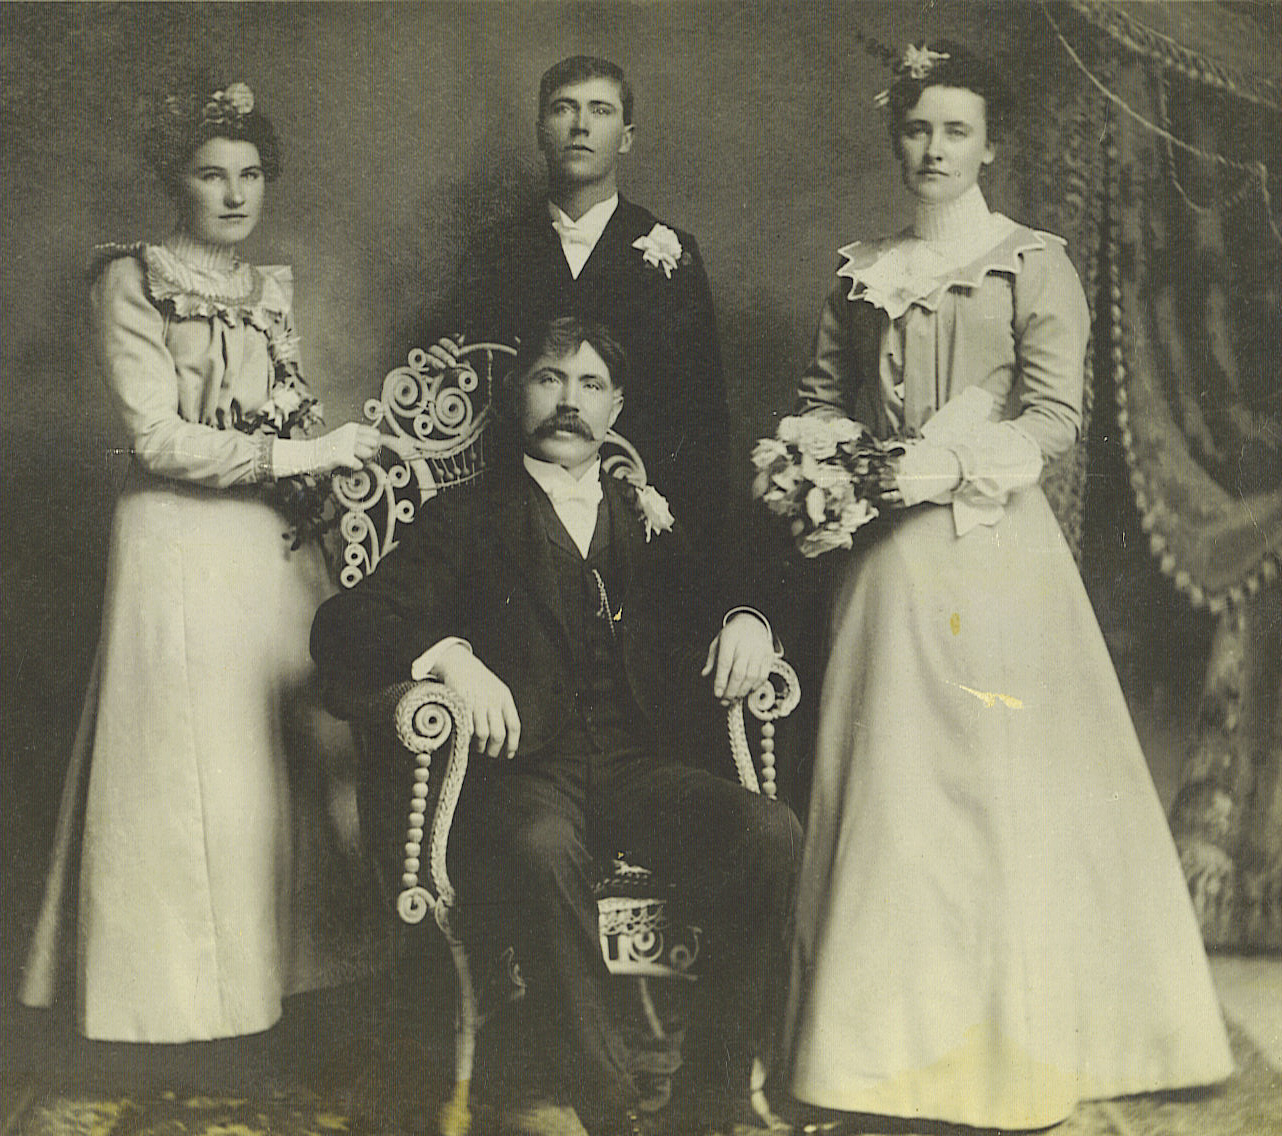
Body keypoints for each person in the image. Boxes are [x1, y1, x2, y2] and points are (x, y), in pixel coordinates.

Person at [774, 41, 1234, 1130]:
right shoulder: (861, 271)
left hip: (993, 555)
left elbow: (1054, 417)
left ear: (991, 146)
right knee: (893, 798)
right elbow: (822, 396)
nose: (933, 150)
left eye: (956, 131)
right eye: (917, 129)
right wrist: (826, 463)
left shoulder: (1034, 262)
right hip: (886, 566)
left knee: (992, 798)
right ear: (896, 139)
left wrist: (941, 466)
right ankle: (875, 1052)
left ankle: (1009, 1047)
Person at [312, 317, 802, 1136]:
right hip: (523, 776)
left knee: (770, 831)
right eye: (549, 379)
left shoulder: (644, 514)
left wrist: (746, 619)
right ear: (518, 396)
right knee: (540, 849)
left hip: (636, 768)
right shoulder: (468, 514)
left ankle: (709, 1105)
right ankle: (609, 1111)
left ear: (616, 409)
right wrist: (449, 657)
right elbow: (343, 626)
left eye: (590, 384)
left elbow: (721, 588)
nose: (569, 401)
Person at [20, 79, 381, 1052]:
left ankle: (278, 991)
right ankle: (172, 1004)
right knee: (189, 770)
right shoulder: (131, 279)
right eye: (211, 174)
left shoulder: (269, 290)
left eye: (250, 174)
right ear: (174, 181)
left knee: (280, 754)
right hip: (176, 541)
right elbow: (156, 437)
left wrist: (322, 474)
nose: (234, 194)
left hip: (268, 545)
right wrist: (303, 454)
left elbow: (286, 411)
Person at [470, 56, 730, 631]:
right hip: (520, 522)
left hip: (636, 524)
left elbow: (704, 419)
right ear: (541, 130)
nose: (581, 126)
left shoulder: (670, 251)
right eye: (564, 109)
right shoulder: (496, 251)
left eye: (600, 111)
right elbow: (478, 387)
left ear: (626, 137)